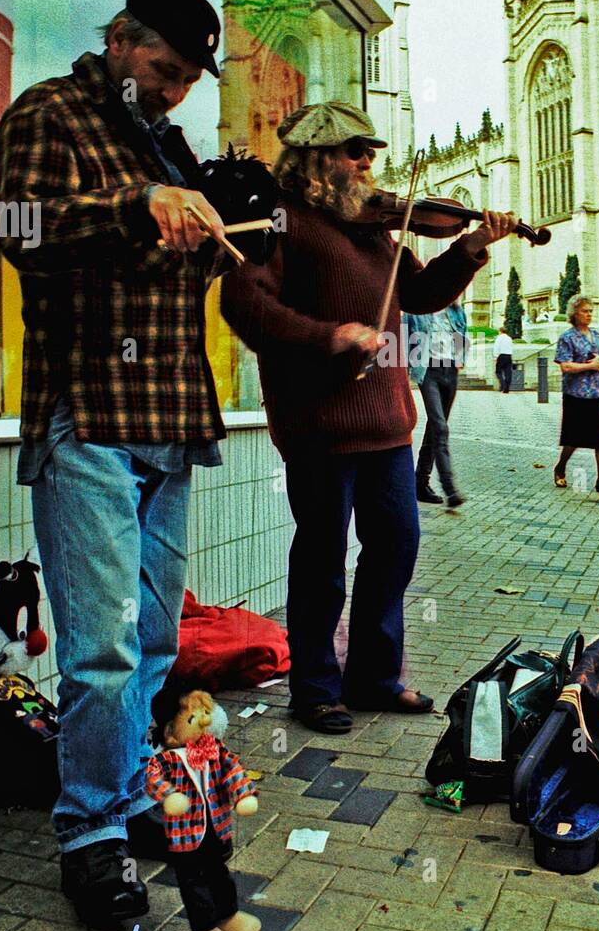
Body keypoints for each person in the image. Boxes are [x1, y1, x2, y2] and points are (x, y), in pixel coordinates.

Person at [0, 0, 231, 930]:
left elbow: (181, 261)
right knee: (99, 648)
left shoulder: (169, 144)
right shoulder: (48, 110)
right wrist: (137, 207)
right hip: (87, 412)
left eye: (186, 80)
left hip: (170, 416)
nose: (174, 92)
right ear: (122, 41)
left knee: (155, 641)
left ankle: (127, 796)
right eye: (163, 70)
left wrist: (214, 232)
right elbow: (17, 232)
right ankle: (89, 833)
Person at [220, 103, 516, 734]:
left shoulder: (374, 228)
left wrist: (470, 247)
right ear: (316, 157)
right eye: (355, 151)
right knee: (324, 560)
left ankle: (375, 677)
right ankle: (315, 687)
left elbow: (420, 294)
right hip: (319, 424)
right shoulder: (280, 221)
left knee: (396, 546)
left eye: (371, 152)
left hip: (386, 422)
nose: (368, 163)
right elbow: (245, 305)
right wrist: (330, 336)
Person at [404, 301, 469, 507]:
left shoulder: (456, 311)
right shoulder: (415, 311)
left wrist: (461, 358)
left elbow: (463, 335)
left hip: (450, 372)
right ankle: (450, 490)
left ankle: (420, 483)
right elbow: (404, 344)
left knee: (435, 428)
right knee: (441, 428)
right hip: (428, 371)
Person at [552, 295, 599, 495]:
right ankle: (560, 466)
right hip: (575, 394)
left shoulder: (597, 336)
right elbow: (565, 366)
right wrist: (589, 365)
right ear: (575, 314)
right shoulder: (567, 337)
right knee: (574, 438)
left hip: (596, 394)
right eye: (585, 311)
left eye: (591, 311)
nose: (589, 314)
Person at [493, 325, 514, 392]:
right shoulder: (509, 338)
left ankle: (503, 385)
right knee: (508, 372)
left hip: (501, 356)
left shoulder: (499, 338)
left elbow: (496, 348)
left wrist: (495, 356)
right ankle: (507, 387)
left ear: (500, 331)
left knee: (498, 372)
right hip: (509, 356)